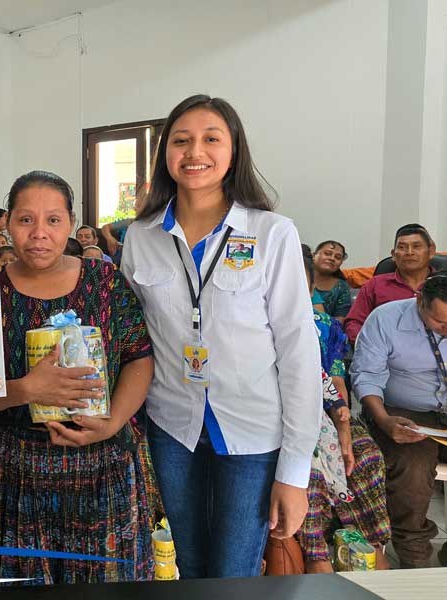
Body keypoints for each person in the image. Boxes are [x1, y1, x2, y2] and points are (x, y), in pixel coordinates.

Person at [121, 94, 321, 578]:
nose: (195, 152)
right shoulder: (142, 236)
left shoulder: (272, 233)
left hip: (252, 432)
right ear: (165, 154)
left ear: (234, 151)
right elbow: (131, 341)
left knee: (234, 574)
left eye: (211, 139)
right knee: (189, 567)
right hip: (172, 427)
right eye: (181, 141)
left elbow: (298, 350)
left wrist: (295, 472)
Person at [0, 170, 158, 583]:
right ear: (7, 223)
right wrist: (26, 389)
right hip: (12, 477)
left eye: (53, 220)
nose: (39, 233)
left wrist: (111, 424)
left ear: (71, 223)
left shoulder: (105, 282)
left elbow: (139, 357)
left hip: (101, 469)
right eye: (25, 219)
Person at [295, 255, 390, 572]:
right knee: (307, 469)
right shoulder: (253, 325)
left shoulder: (324, 326)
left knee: (365, 455)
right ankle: (316, 555)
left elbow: (334, 380)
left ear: (311, 289)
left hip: (325, 412)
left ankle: (370, 547)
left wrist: (344, 427)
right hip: (276, 419)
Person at [351, 274, 447, 568]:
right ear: (419, 301)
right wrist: (383, 420)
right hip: (404, 411)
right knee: (412, 466)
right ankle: (414, 554)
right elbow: (366, 375)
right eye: (440, 322)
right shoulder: (386, 319)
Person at [344, 224, 436, 343]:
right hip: (384, 350)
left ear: (431, 251)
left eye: (416, 246)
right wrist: (369, 346)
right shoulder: (375, 285)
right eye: (402, 247)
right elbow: (354, 323)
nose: (409, 252)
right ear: (393, 254)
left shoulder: (442, 284)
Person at [312, 241, 352, 322]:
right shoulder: (300, 278)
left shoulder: (341, 287)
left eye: (338, 257)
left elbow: (340, 320)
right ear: (313, 255)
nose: (332, 258)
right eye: (327, 253)